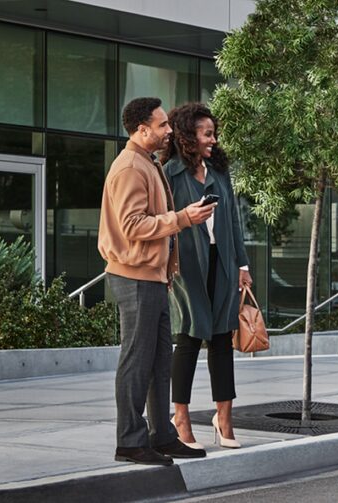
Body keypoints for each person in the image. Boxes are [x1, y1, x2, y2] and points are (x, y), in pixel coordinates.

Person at [99, 97, 215, 465]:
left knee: (159, 361)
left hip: (152, 278)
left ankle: (161, 436)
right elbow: (132, 226)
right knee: (136, 362)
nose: (169, 131)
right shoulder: (130, 168)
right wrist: (183, 218)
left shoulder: (147, 164)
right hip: (134, 278)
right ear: (141, 129)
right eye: (162, 125)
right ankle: (130, 442)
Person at [161, 103, 252, 450]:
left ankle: (223, 417)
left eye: (214, 133)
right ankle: (180, 417)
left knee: (220, 340)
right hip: (187, 267)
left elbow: (233, 223)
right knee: (187, 338)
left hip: (223, 262)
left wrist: (242, 265)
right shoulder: (169, 173)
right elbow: (165, 223)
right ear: (188, 136)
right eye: (207, 133)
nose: (213, 139)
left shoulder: (218, 172)